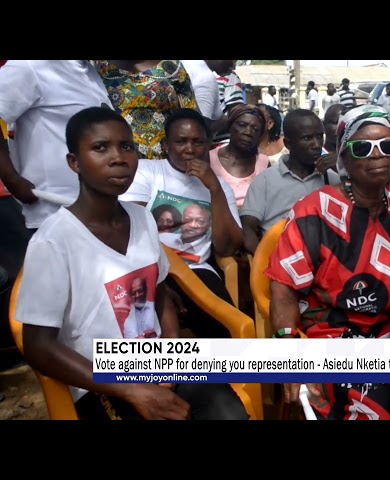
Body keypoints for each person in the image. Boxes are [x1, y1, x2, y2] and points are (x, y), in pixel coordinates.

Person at [15, 106, 248, 420]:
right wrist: (131, 389)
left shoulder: (142, 219)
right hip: (100, 379)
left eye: (127, 147)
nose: (118, 158)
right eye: (100, 148)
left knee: (228, 411)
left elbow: (161, 295)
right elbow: (38, 346)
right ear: (74, 162)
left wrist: (171, 355)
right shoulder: (54, 240)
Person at [264, 105, 390, 420]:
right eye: (363, 148)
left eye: (388, 146)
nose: (378, 155)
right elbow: (284, 288)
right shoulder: (314, 211)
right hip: (331, 335)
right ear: (344, 159)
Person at [120, 108, 243, 339]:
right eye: (181, 141)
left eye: (197, 142)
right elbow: (129, 228)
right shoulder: (148, 171)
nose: (190, 149)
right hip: (148, 268)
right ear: (166, 146)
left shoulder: (219, 186)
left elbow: (228, 247)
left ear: (208, 145)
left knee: (225, 331)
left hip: (196, 272)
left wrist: (214, 189)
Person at [0, 60, 112, 231]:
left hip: (93, 214)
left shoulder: (88, 71)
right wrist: (11, 178)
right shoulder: (30, 66)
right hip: (51, 216)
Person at [241, 109, 340, 255]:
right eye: (307, 138)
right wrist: (263, 261)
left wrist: (344, 169)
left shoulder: (333, 179)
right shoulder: (266, 180)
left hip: (324, 262)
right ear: (288, 144)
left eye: (320, 136)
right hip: (279, 260)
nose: (317, 144)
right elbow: (247, 228)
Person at [94, 60, 200, 160]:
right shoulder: (99, 68)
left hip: (166, 164)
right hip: (117, 162)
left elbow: (193, 121)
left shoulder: (171, 67)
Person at [209, 104, 269, 208]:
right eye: (242, 125)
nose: (248, 132)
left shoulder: (263, 162)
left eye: (255, 129)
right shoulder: (210, 159)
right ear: (230, 126)